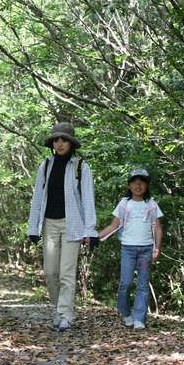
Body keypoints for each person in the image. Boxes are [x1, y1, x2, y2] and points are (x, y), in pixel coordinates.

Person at [28, 122, 98, 332]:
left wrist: (91, 230)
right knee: (50, 273)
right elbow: (38, 198)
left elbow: (88, 199)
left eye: (64, 140)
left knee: (67, 273)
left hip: (73, 225)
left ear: (71, 143)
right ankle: (59, 309)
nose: (59, 144)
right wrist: (33, 227)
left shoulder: (81, 166)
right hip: (49, 224)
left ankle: (65, 314)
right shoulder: (46, 165)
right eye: (56, 140)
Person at [98, 168, 163, 330]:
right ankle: (126, 314)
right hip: (128, 249)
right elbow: (114, 225)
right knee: (125, 283)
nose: (138, 185)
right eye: (135, 182)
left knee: (142, 284)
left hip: (146, 250)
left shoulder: (152, 204)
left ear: (147, 185)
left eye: (142, 182)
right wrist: (95, 237)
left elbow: (158, 228)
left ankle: (140, 318)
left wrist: (157, 248)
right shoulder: (124, 204)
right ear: (129, 185)